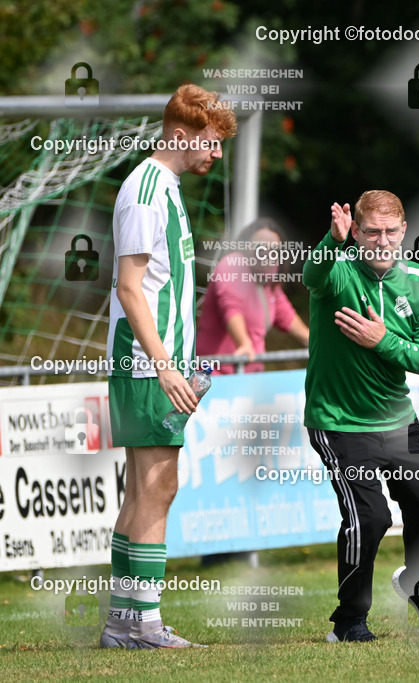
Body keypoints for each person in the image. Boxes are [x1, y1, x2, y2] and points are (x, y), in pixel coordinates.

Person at [101, 84, 236, 649]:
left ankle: (125, 622)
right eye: (212, 142)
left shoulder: (168, 188)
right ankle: (143, 624)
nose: (218, 154)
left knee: (144, 491)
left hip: (158, 364)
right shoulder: (145, 192)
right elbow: (131, 289)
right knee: (159, 486)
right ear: (181, 135)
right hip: (145, 366)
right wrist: (163, 366)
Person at [302, 190, 419, 642]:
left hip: (398, 421)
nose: (382, 240)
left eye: (391, 232)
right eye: (371, 231)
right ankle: (349, 620)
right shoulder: (337, 269)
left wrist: (382, 340)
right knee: (369, 518)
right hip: (338, 421)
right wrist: (332, 241)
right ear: (357, 231)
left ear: (404, 231)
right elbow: (313, 274)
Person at [197, 217, 309, 374]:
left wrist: (312, 341)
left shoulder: (268, 277)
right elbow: (230, 306)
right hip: (215, 377)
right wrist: (244, 343)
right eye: (260, 248)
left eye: (274, 251)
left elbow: (283, 312)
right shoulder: (232, 265)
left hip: (250, 376)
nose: (266, 255)